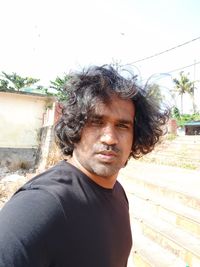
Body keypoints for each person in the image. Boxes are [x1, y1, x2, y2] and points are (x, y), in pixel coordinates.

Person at [0, 65, 169, 267]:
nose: (110, 138)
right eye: (96, 122)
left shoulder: (117, 192)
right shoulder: (39, 206)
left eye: (122, 126)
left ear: (136, 136)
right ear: (75, 128)